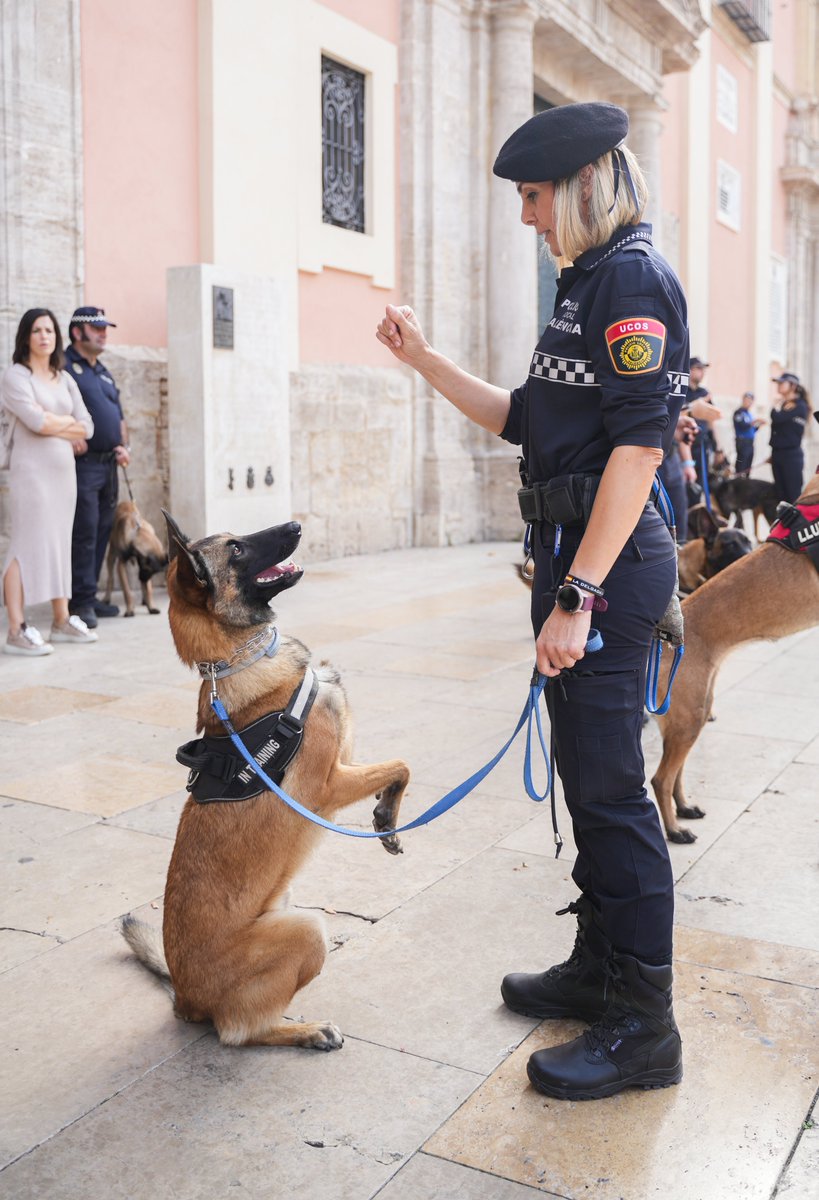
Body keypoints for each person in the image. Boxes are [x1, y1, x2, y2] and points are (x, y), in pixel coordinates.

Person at [377, 101, 687, 1100]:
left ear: (585, 185)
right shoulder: (584, 283)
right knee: (588, 782)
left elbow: (641, 451)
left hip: (603, 565)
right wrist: (423, 361)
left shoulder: (633, 278)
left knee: (610, 793)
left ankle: (645, 1025)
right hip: (565, 553)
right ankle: (600, 971)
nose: (525, 215)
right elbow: (525, 418)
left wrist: (581, 596)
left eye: (534, 195)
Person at [1, 309, 97, 655]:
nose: (45, 336)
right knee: (24, 545)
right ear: (26, 336)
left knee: (59, 542)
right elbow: (34, 421)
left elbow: (87, 425)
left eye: (50, 330)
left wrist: (56, 423)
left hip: (63, 475)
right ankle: (16, 628)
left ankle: (61, 619)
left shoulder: (64, 377)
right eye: (37, 330)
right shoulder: (16, 376)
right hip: (31, 473)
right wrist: (63, 424)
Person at [64, 306, 130, 628]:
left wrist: (124, 445)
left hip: (109, 466)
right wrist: (68, 435)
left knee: (103, 530)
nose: (104, 333)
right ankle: (80, 602)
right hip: (83, 465)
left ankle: (89, 597)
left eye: (106, 327)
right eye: (97, 328)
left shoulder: (103, 370)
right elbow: (52, 407)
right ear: (77, 332)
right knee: (85, 532)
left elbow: (118, 415)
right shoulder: (63, 366)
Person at [769, 372, 809, 503]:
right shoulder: (784, 405)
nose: (779, 386)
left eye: (782, 383)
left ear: (793, 386)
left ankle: (797, 524)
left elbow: (777, 418)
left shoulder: (800, 406)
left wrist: (775, 406)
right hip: (777, 454)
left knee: (793, 497)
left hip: (791, 456)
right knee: (780, 497)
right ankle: (784, 524)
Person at [732, 391, 765, 475]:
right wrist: (754, 422)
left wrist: (758, 425)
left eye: (750, 401)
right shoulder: (739, 412)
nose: (748, 402)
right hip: (742, 443)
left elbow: (752, 430)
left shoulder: (749, 414)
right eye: (747, 400)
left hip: (750, 443)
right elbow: (742, 425)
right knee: (741, 466)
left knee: (748, 467)